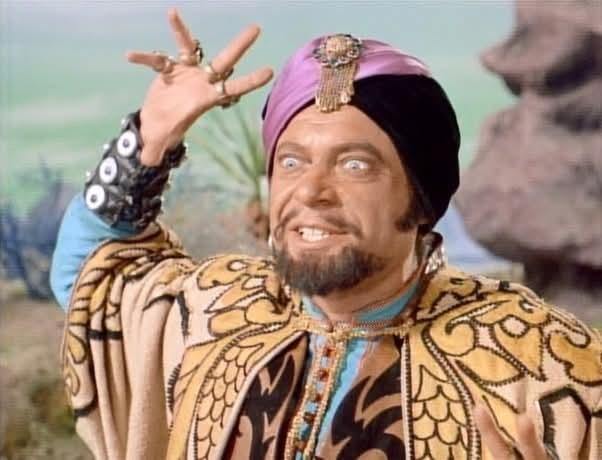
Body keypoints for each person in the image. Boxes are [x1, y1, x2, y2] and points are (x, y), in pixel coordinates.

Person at [50, 9, 601, 460]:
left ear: (420, 199)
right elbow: (95, 277)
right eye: (290, 162)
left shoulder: (537, 359)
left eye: (355, 165)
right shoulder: (217, 311)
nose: (311, 190)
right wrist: (149, 141)